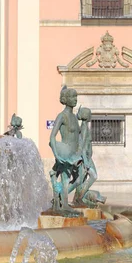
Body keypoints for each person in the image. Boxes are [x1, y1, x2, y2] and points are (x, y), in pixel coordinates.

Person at [49, 86, 82, 216]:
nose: (75, 100)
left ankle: (62, 203)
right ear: (65, 99)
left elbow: (79, 137)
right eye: (72, 97)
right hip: (64, 151)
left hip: (73, 153)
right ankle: (61, 204)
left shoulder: (74, 117)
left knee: (70, 179)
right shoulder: (62, 116)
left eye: (76, 97)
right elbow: (52, 136)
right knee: (64, 177)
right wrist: (57, 154)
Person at [73, 106, 98, 207]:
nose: (90, 116)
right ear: (86, 116)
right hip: (85, 158)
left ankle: (78, 199)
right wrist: (86, 161)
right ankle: (79, 198)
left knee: (82, 179)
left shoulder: (85, 126)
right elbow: (82, 145)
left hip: (87, 157)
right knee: (93, 176)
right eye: (89, 114)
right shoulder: (84, 127)